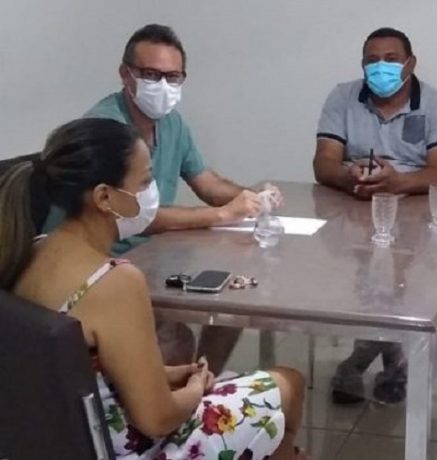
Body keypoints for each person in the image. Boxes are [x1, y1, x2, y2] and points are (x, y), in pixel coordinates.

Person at [0, 118, 307, 459]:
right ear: (104, 197)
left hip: (65, 438)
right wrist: (195, 388)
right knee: (288, 384)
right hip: (127, 447)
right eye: (145, 181)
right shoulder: (113, 281)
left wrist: (168, 374)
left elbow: (87, 369)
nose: (152, 193)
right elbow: (157, 419)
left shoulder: (32, 251)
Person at [41, 24, 282, 372]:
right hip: (101, 258)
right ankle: (182, 387)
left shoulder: (172, 124)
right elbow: (131, 215)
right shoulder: (105, 131)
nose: (163, 86)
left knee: (233, 298)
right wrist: (219, 215)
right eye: (151, 75)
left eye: (173, 77)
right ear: (126, 74)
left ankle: (201, 384)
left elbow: (206, 181)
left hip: (153, 252)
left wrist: (251, 197)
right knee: (174, 338)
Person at [312, 27, 437, 404]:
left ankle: (365, 360)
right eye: (372, 60)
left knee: (400, 280)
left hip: (414, 207)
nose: (381, 67)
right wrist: (350, 178)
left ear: (410, 64)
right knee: (364, 279)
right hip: (355, 205)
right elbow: (323, 163)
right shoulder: (343, 97)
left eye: (391, 59)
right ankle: (392, 362)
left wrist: (397, 182)